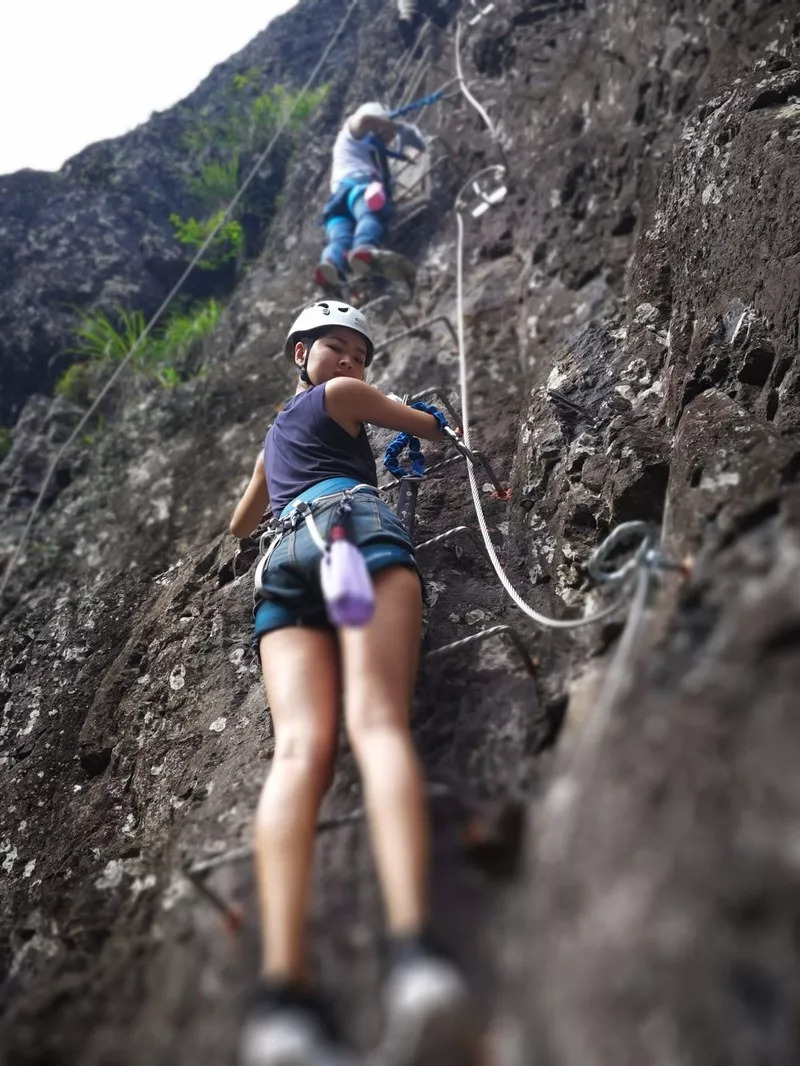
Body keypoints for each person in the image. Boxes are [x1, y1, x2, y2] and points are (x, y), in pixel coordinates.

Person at [230, 301, 472, 1066]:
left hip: (284, 563)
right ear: (301, 353)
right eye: (338, 348)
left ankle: (281, 1000)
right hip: (353, 532)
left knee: (299, 751)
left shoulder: (276, 437)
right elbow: (426, 425)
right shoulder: (340, 399)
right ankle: (416, 958)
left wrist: (283, 475)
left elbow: (242, 523)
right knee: (375, 724)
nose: (352, 362)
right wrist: (428, 424)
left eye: (360, 354)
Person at [315, 103, 426, 292]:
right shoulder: (354, 136)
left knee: (339, 241)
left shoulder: (368, 151)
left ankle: (330, 264)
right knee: (370, 216)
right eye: (387, 134)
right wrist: (393, 125)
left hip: (337, 206)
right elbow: (363, 120)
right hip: (359, 191)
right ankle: (364, 249)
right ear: (378, 126)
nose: (390, 139)